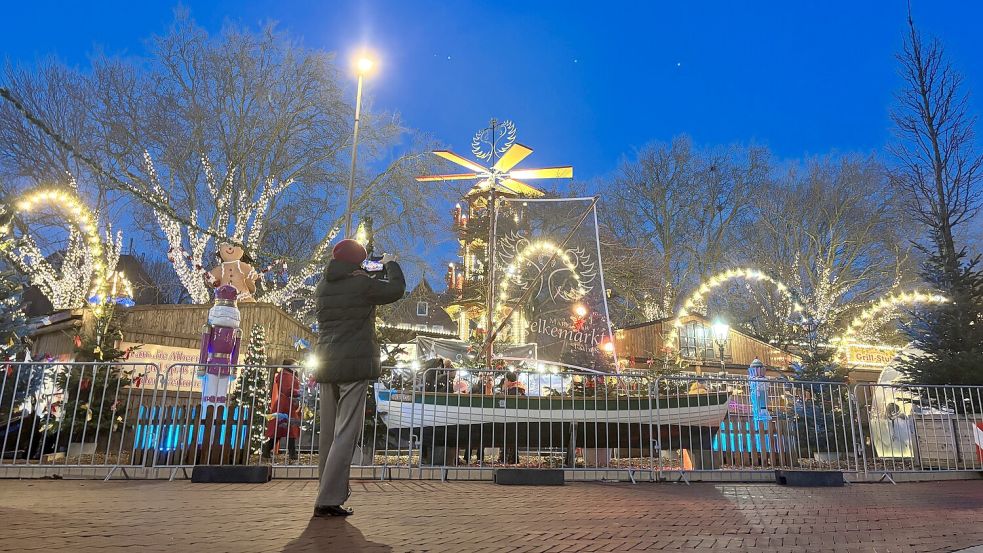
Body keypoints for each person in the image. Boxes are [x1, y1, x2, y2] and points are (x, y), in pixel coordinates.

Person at [312, 239, 404, 518]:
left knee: (328, 433)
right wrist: (390, 264)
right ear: (356, 263)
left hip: (327, 362)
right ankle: (329, 498)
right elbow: (395, 290)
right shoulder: (361, 285)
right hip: (353, 364)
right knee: (346, 432)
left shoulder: (322, 286)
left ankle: (324, 491)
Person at [262, 358, 302, 461]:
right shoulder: (286, 376)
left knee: (282, 429)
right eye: (294, 365)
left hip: (287, 404)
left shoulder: (287, 375)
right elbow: (288, 390)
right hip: (285, 405)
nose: (296, 367)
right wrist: (299, 392)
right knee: (287, 429)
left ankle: (268, 449)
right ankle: (292, 453)